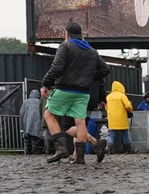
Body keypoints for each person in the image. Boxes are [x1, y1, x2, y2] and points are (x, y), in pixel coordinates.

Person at [39, 23, 110, 164]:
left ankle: (61, 149)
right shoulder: (92, 51)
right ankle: (80, 158)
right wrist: (89, 78)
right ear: (81, 34)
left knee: (48, 114)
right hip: (83, 93)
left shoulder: (65, 46)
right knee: (80, 122)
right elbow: (105, 70)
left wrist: (46, 83)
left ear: (67, 34)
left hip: (64, 89)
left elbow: (57, 67)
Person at [100, 80, 134, 155]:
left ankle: (107, 148)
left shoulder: (108, 97)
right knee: (125, 134)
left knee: (111, 135)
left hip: (112, 120)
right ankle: (129, 149)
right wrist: (130, 109)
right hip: (122, 119)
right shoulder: (122, 96)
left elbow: (107, 108)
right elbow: (128, 106)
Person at [21, 89, 46, 155]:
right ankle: (34, 150)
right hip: (38, 122)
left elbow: (21, 112)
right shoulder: (40, 102)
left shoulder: (26, 102)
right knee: (36, 136)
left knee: (28, 136)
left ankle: (29, 151)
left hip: (27, 122)